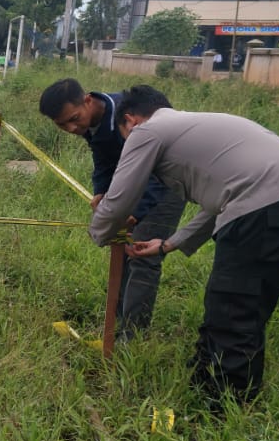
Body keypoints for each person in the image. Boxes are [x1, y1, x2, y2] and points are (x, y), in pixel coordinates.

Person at [89, 86, 279, 408]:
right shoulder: (193, 127)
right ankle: (209, 387)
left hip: (264, 207)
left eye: (125, 136)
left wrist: (99, 233)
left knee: (232, 311)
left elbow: (118, 201)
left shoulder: (147, 130)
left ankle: (221, 411)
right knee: (241, 307)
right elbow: (221, 202)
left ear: (130, 120)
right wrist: (168, 244)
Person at [39, 78, 185, 339]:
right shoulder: (92, 123)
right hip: (139, 182)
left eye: (74, 118)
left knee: (143, 256)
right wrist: (101, 191)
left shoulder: (126, 117)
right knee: (125, 252)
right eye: (62, 125)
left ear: (87, 100)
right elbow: (104, 158)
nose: (72, 128)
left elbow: (155, 169)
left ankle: (132, 339)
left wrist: (134, 211)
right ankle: (117, 327)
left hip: (168, 184)